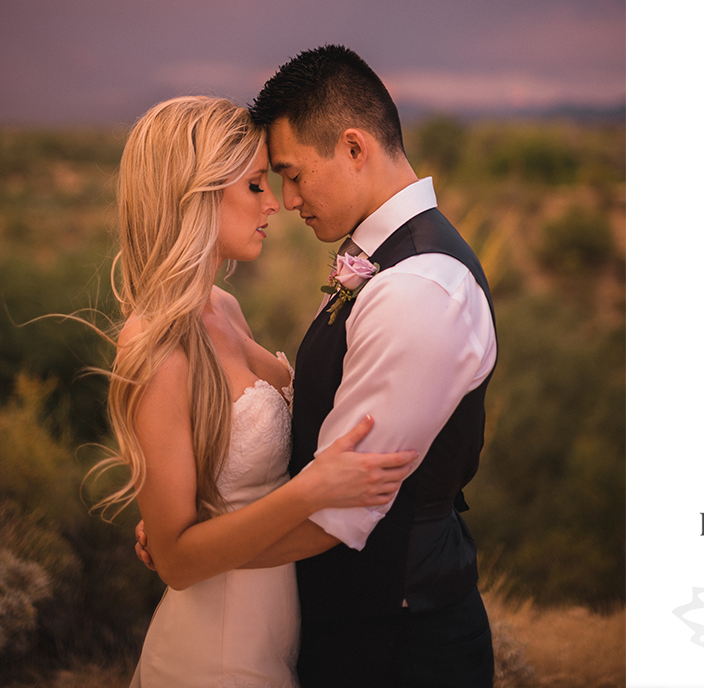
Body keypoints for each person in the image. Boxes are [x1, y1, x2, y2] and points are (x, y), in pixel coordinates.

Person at [138, 48, 499, 687]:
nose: (285, 199)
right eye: (264, 182)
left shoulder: (418, 289)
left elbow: (337, 513)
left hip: (399, 646)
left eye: (291, 175)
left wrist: (191, 552)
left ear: (354, 148)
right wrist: (186, 532)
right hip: (311, 633)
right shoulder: (381, 263)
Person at [100, 95, 418, 688]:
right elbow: (174, 560)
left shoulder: (223, 307)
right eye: (253, 186)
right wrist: (310, 491)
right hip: (216, 651)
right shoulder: (156, 345)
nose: (275, 202)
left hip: (279, 627)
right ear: (193, 196)